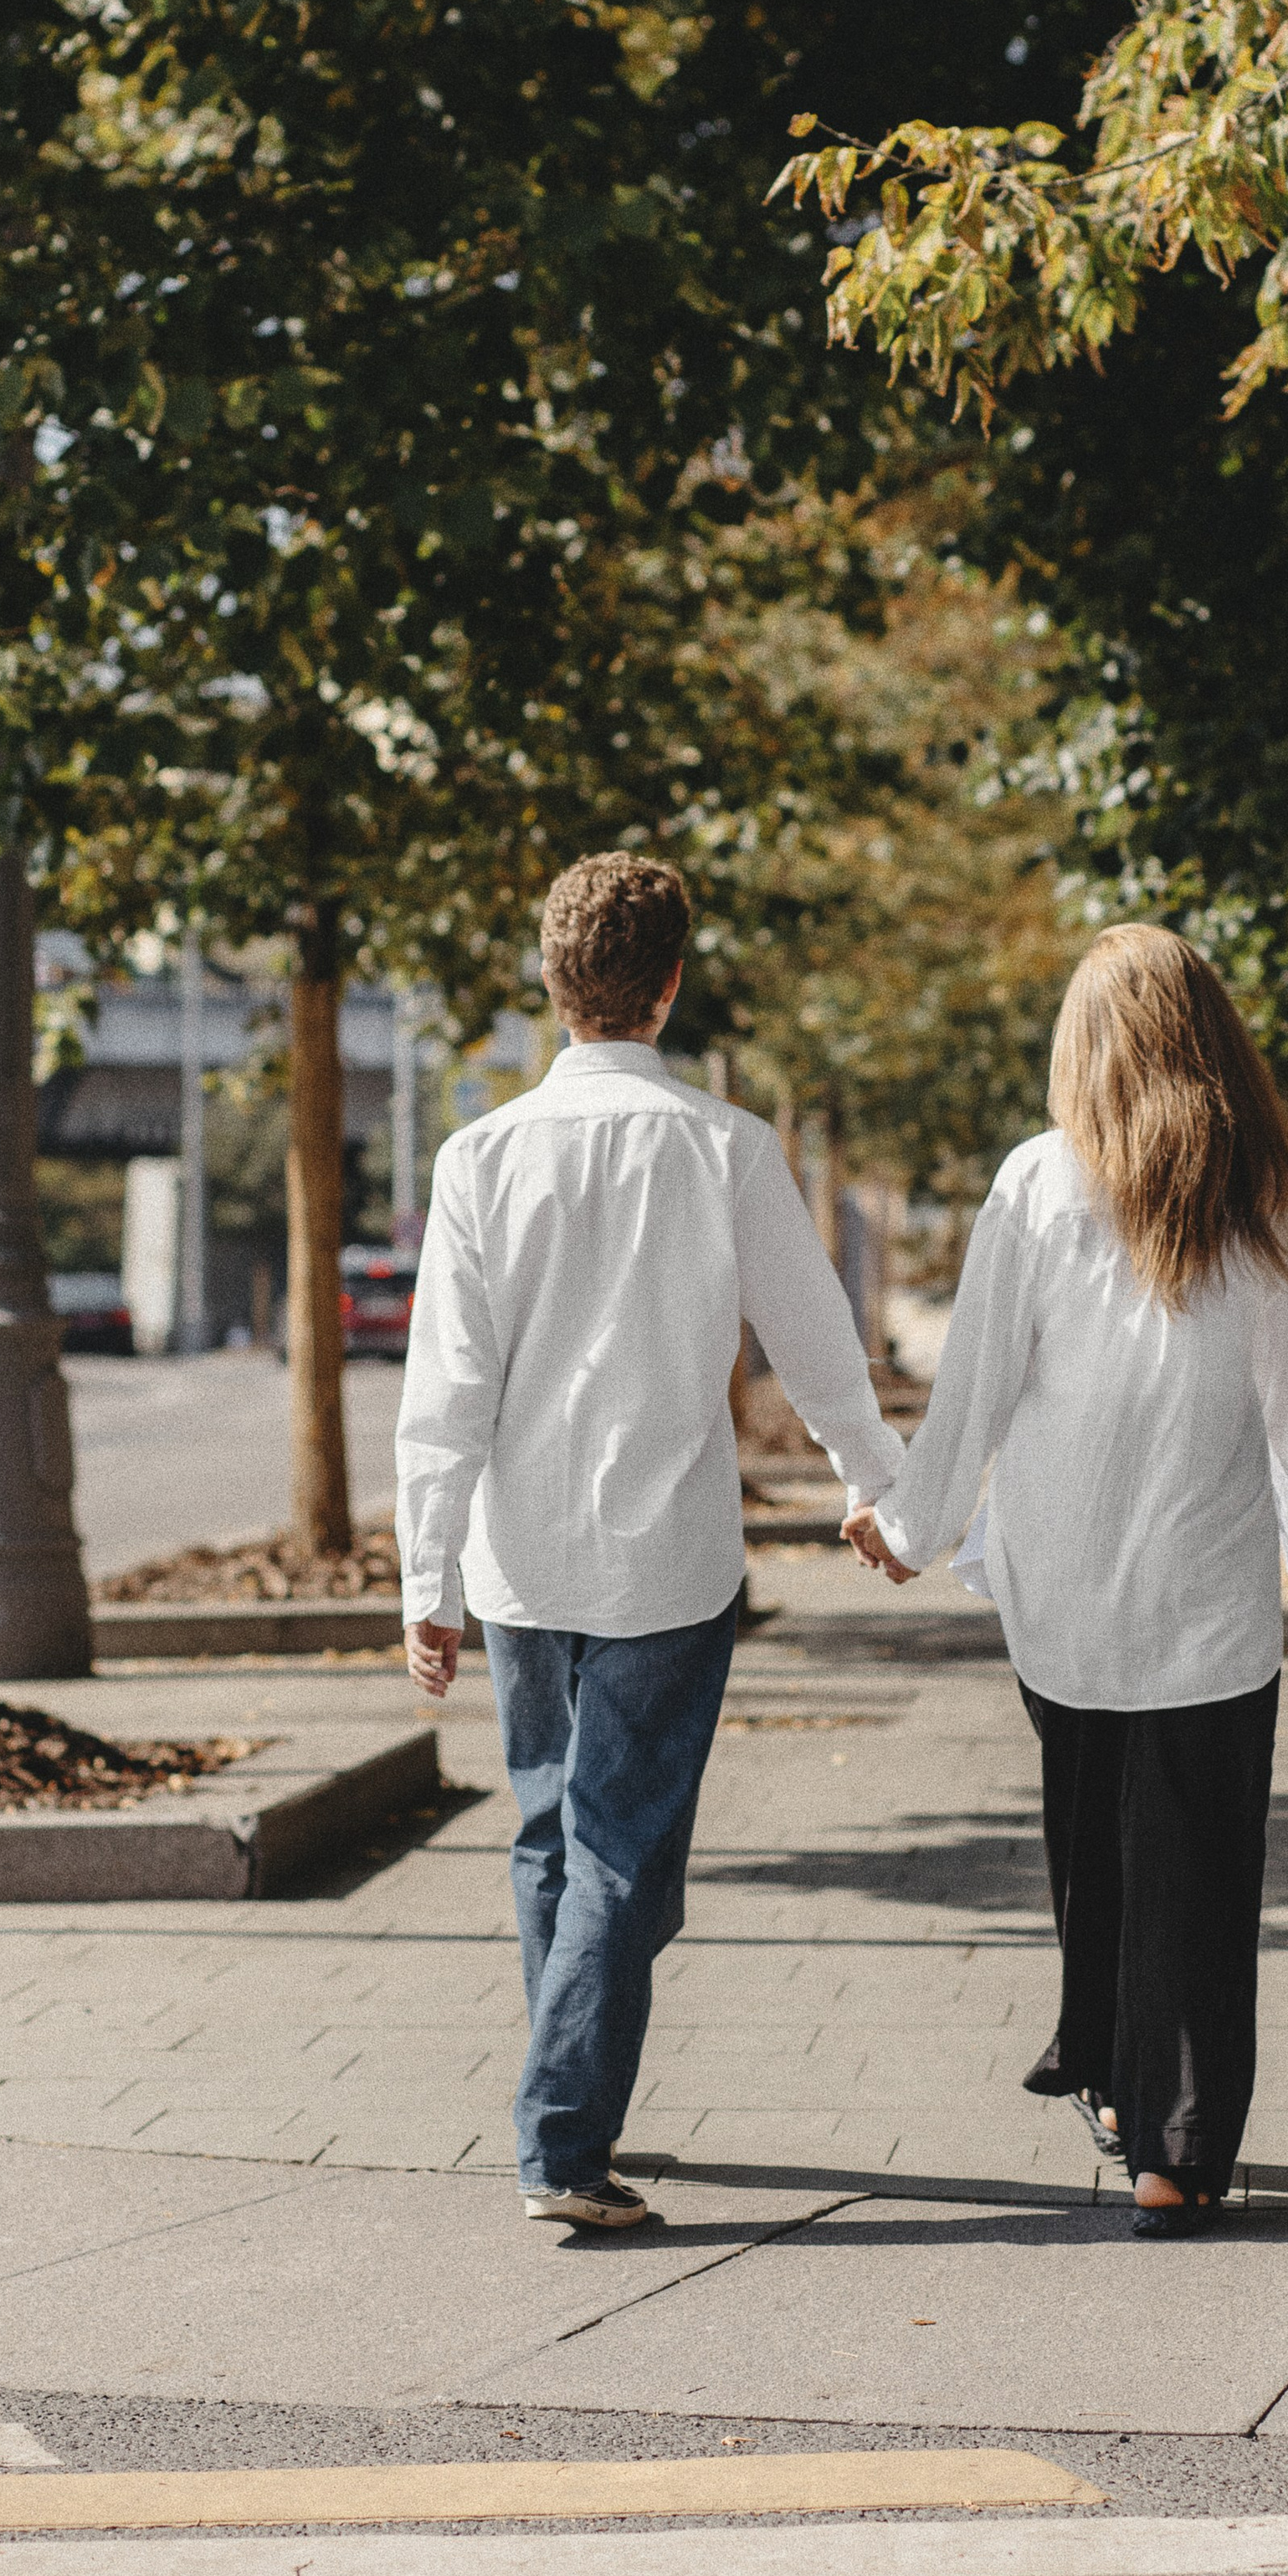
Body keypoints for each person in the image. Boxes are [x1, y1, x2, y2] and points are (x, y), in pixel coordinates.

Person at [397, 853, 904, 2231]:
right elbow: (814, 1343)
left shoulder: (478, 1158)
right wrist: (885, 1490)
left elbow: (444, 1389)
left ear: (553, 990)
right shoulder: (729, 1150)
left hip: (519, 1562)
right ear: (671, 987)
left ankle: (573, 2092)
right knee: (625, 1852)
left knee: (555, 1836)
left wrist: (424, 1581)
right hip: (669, 1563)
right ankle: (564, 2137)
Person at [844, 924, 1288, 2240]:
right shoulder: (1269, 1193)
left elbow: (979, 1382)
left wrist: (910, 1521)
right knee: (1201, 1864)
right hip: (1207, 1589)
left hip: (1062, 1583)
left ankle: (1115, 2077)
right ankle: (1176, 2149)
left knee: (1094, 1843)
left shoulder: (1038, 1183)